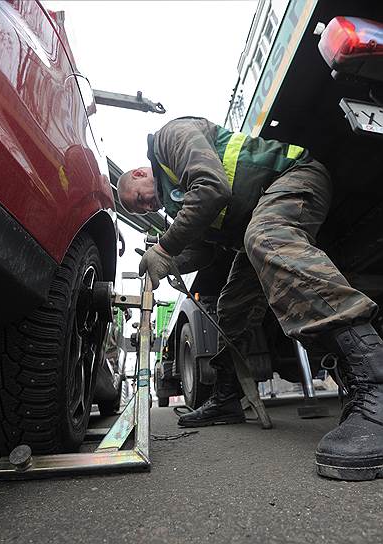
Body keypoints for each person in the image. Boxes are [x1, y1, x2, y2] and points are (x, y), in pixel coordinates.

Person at [118, 116, 383, 481]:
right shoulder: (176, 206)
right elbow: (203, 253)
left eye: (139, 201)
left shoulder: (169, 139)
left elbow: (212, 187)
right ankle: (228, 400)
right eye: (140, 212)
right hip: (256, 219)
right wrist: (168, 260)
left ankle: (375, 377)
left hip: (294, 176)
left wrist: (164, 246)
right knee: (232, 307)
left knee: (267, 238)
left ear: (137, 174)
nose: (146, 208)